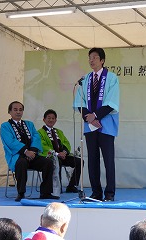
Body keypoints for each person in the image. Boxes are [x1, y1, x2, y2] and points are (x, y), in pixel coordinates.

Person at [73, 47, 120, 201]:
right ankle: (96, 192)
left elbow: (112, 102)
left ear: (102, 60)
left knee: (108, 160)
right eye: (89, 57)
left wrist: (96, 116)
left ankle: (109, 193)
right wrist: (89, 117)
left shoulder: (112, 78)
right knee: (92, 160)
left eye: (94, 57)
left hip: (106, 125)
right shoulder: (85, 79)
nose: (91, 60)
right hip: (90, 125)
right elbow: (79, 101)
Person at [0, 101, 59, 201]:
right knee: (22, 163)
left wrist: (32, 151)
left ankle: (46, 192)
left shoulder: (29, 124)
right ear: (9, 111)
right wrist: (25, 151)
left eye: (20, 110)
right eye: (15, 110)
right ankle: (21, 193)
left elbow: (36, 137)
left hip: (32, 155)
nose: (18, 112)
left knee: (48, 162)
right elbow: (10, 142)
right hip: (17, 156)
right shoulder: (5, 126)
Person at [38, 109, 83, 193]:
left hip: (62, 155)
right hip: (50, 156)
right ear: (44, 119)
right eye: (49, 118)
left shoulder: (59, 132)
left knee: (79, 162)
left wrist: (64, 152)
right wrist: (57, 154)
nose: (51, 120)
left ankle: (72, 185)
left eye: (53, 118)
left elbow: (67, 143)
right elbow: (43, 146)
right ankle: (57, 186)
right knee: (58, 161)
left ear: (56, 120)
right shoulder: (39, 133)